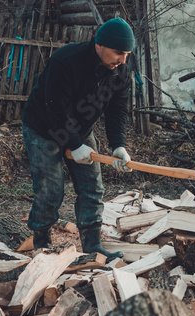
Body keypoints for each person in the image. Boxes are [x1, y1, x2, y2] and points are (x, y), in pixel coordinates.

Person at [22, 17, 136, 260]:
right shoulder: (66, 60)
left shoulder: (121, 71)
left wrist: (118, 145)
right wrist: (73, 145)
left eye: (127, 54)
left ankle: (93, 247)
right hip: (43, 129)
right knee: (51, 190)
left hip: (81, 131)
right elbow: (55, 109)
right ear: (99, 45)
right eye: (118, 53)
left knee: (92, 188)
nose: (123, 60)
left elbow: (118, 111)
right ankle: (41, 242)